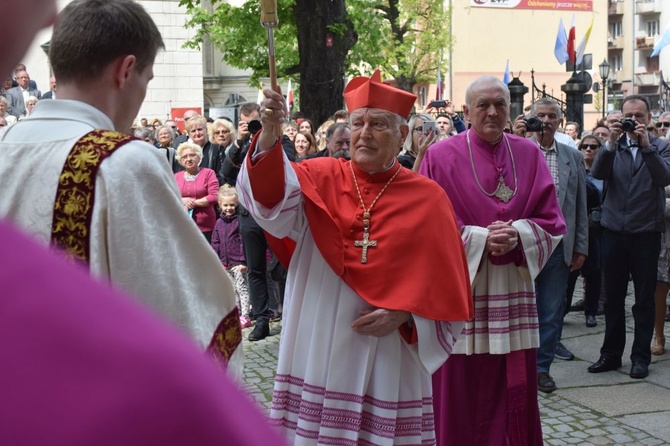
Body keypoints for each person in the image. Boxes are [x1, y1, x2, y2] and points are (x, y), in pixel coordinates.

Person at [0, 0, 282, 443]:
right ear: (126, 70)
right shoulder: (123, 161)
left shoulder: (5, 144)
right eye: (148, 80)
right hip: (87, 410)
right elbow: (184, 309)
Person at [237, 69, 473, 444]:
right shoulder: (318, 175)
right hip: (320, 331)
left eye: (378, 124)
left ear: (401, 135)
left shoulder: (428, 198)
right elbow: (268, 199)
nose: (364, 133)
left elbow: (448, 287)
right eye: (358, 122)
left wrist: (407, 314)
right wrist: (269, 133)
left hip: (389, 346)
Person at [421, 76, 566, 444]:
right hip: (462, 288)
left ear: (510, 110)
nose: (492, 111)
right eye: (482, 105)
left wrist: (520, 234)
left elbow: (551, 219)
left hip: (512, 286)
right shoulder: (439, 156)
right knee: (460, 384)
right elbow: (426, 223)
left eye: (500, 104)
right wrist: (480, 239)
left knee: (511, 383)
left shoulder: (529, 153)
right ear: (466, 112)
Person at [588, 95, 670, 379]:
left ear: (649, 118)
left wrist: (647, 147)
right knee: (612, 299)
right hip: (613, 232)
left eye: (639, 115)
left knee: (644, 300)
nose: (634, 120)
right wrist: (610, 141)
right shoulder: (613, 147)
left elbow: (664, 178)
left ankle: (640, 357)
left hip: (646, 232)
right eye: (628, 116)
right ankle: (610, 354)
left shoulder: (661, 147)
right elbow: (597, 173)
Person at [514, 98, 588, 393]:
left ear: (560, 121)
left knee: (551, 309)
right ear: (530, 118)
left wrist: (580, 245)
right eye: (539, 116)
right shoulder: (514, 150)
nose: (545, 120)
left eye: (551, 116)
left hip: (559, 244)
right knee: (519, 308)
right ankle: (517, 365)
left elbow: (579, 203)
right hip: (523, 241)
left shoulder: (572, 156)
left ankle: (542, 368)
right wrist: (519, 139)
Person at [223, 101, 296, 342]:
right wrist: (238, 141)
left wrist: (266, 138)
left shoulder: (281, 141)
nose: (254, 127)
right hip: (248, 215)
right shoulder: (241, 145)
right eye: (248, 123)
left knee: (283, 267)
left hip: (275, 214)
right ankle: (261, 320)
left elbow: (289, 164)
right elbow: (227, 173)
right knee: (254, 269)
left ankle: (289, 320)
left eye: (257, 122)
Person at [565, 135, 605, 329]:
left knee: (593, 271)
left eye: (594, 146)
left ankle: (591, 311)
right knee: (571, 270)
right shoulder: (573, 168)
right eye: (585, 146)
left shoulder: (603, 172)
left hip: (595, 227)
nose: (588, 149)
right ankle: (563, 309)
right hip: (574, 226)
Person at [212, 184, 251, 328]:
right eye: (226, 205)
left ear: (237, 204)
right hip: (225, 263)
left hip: (238, 263)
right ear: (220, 205)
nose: (229, 208)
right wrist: (216, 259)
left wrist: (244, 261)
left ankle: (245, 315)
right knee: (232, 289)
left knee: (242, 288)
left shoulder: (239, 221)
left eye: (232, 205)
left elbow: (243, 242)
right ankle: (236, 313)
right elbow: (215, 242)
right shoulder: (219, 223)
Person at [175, 142, 220, 242]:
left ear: (199, 157)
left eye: (192, 155)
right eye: (184, 157)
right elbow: (170, 197)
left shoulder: (208, 173)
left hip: (205, 226)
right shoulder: (176, 177)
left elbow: (214, 196)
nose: (189, 159)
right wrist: (181, 200)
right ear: (181, 161)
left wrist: (191, 203)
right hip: (182, 225)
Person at [174, 115, 225, 185]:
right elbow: (179, 175)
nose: (197, 133)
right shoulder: (183, 151)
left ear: (206, 130)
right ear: (189, 134)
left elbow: (221, 175)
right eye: (193, 131)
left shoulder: (217, 149)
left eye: (200, 129)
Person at [652, 185, 670, 355]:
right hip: (662, 241)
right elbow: (650, 201)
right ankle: (658, 336)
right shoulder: (660, 161)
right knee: (659, 289)